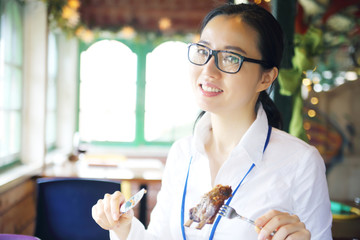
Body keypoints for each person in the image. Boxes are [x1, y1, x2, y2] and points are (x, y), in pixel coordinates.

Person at [91, 3, 333, 240]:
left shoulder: (300, 162)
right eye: (203, 51)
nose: (208, 70)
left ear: (266, 78)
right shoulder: (182, 153)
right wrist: (124, 229)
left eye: (230, 57)